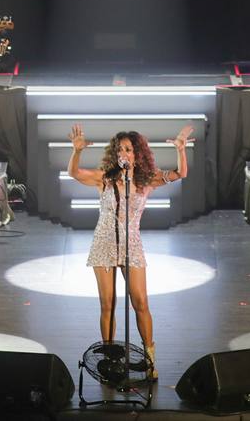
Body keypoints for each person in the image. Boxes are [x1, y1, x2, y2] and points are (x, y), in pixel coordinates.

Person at [67, 123, 192, 381]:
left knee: (141, 302)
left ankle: (150, 359)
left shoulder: (146, 181)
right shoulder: (105, 178)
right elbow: (74, 173)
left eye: (129, 149)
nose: (124, 153)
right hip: (104, 241)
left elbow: (180, 173)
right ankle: (110, 359)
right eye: (120, 149)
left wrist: (181, 149)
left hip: (131, 243)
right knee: (108, 304)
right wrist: (76, 151)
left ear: (137, 154)